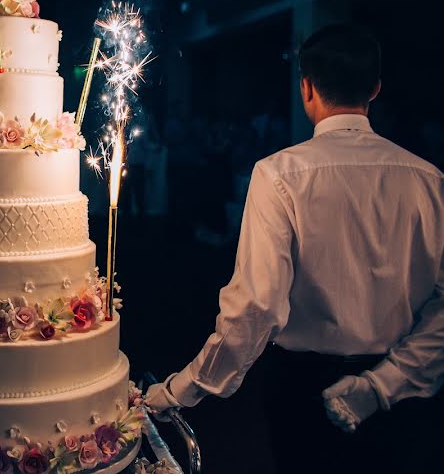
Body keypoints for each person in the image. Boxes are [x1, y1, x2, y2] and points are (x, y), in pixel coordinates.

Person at [144, 25, 443, 473]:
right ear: (375, 89)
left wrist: (182, 389)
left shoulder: (278, 174)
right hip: (401, 395)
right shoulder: (428, 179)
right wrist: (383, 384)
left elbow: (257, 306)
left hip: (303, 385)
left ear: (305, 87)